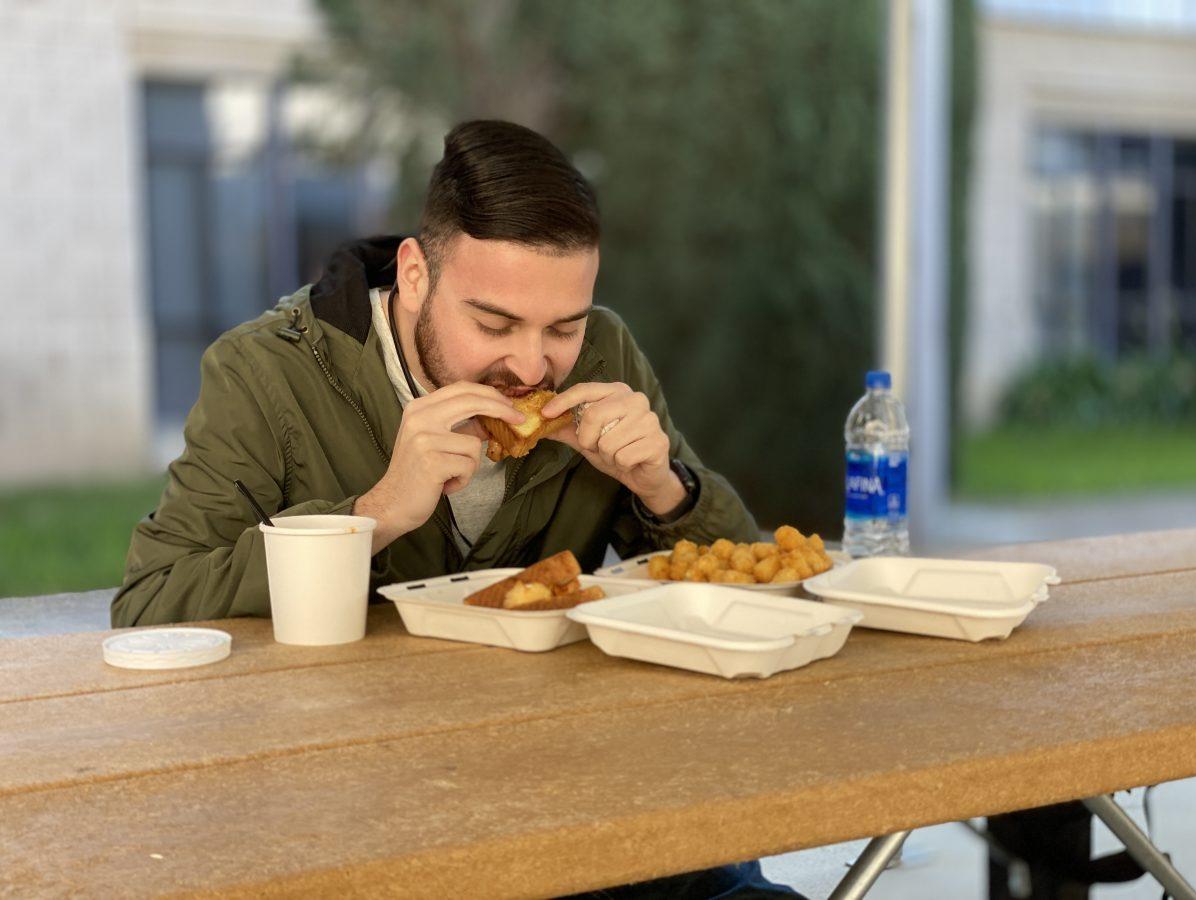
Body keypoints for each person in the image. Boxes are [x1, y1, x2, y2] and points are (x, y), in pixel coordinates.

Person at [112, 119, 799, 899]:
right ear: (413, 274)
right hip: (354, 813)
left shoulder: (607, 354)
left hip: (582, 790)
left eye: (563, 327)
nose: (532, 363)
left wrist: (663, 488)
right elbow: (149, 607)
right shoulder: (264, 373)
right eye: (494, 324)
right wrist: (369, 516)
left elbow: (756, 584)